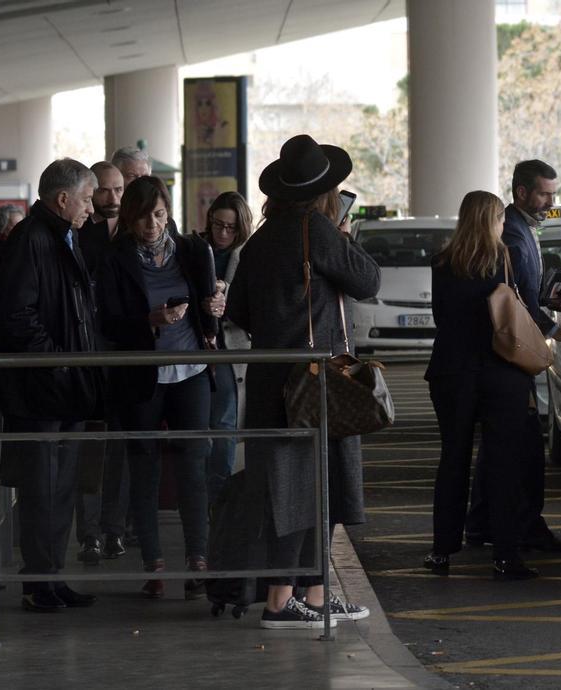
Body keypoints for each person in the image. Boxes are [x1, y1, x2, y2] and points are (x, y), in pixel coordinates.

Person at [225, 134, 379, 629]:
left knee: (287, 486)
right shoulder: (318, 229)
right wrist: (345, 235)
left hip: (272, 378)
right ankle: (281, 602)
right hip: (317, 381)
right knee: (317, 486)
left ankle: (312, 594)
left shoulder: (261, 238)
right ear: (325, 191)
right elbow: (368, 281)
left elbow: (239, 311)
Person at [96, 176, 220, 599]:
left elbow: (209, 304)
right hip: (142, 372)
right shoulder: (115, 259)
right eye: (144, 215)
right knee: (144, 466)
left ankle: (198, 560)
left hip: (191, 371)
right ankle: (154, 564)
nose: (152, 223)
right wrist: (149, 321)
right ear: (129, 217)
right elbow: (107, 322)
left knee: (193, 466)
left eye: (160, 213)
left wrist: (214, 309)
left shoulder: (191, 250)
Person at [0, 158, 102, 612]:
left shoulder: (59, 236)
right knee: (42, 490)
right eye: (88, 199)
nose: (91, 209)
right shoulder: (33, 239)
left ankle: (51, 577)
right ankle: (39, 582)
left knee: (60, 488)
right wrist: (60, 363)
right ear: (63, 199)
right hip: (43, 391)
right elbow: (16, 315)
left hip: (62, 387)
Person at [465, 159, 561, 553]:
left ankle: (481, 524)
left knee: (500, 449)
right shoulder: (515, 238)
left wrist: (549, 300)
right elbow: (515, 305)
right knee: (524, 451)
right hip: (511, 358)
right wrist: (557, 330)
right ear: (521, 192)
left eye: (553, 192)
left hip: (503, 358)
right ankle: (523, 529)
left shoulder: (522, 230)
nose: (550, 200)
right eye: (544, 193)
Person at [423, 190, 539, 580]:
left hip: (452, 371)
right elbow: (526, 308)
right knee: (504, 463)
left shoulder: (442, 262)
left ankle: (442, 552)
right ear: (492, 219)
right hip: (502, 372)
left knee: (452, 459)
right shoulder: (507, 258)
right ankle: (505, 556)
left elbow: (441, 318)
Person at [74, 160, 129, 565]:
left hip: (126, 351)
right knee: (91, 446)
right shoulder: (78, 233)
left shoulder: (136, 231)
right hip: (89, 351)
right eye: (105, 190)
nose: (112, 198)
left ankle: (116, 529)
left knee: (123, 447)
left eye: (119, 189)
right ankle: (89, 533)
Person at [198, 191, 253, 505]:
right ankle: (199, 502)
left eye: (230, 228)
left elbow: (255, 302)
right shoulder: (196, 247)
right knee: (197, 430)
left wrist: (225, 295)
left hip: (231, 353)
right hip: (198, 349)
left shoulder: (248, 255)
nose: (222, 233)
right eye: (217, 224)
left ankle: (217, 503)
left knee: (224, 428)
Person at [111, 146, 179, 236]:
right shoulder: (110, 215)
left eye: (145, 176)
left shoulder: (167, 222)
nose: (140, 182)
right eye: (132, 176)